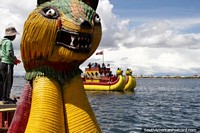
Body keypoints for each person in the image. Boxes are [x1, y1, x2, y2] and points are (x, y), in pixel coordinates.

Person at [0, 26, 21, 104]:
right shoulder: (8, 42)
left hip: (1, 63)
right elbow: (9, 54)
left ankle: (1, 97)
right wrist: (15, 60)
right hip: (7, 64)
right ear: (11, 35)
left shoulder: (2, 42)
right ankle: (6, 98)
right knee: (8, 81)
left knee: (2, 81)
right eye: (14, 35)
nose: (15, 37)